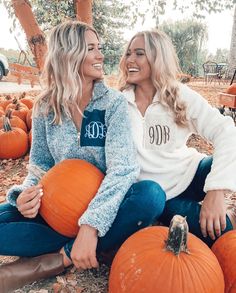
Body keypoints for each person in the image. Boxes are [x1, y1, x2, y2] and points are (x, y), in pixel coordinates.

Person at [0, 22, 166, 292]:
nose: (101, 55)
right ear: (69, 55)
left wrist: (91, 225)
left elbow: (123, 169)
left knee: (151, 196)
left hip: (105, 209)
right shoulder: (44, 106)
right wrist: (24, 195)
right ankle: (98, 243)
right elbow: (40, 164)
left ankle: (63, 256)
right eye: (91, 49)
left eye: (99, 48)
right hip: (56, 211)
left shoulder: (111, 104)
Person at [119, 29, 236, 248]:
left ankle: (223, 205)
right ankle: (226, 217)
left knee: (227, 157)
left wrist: (216, 190)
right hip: (161, 195)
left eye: (139, 53)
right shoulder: (118, 103)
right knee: (222, 234)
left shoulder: (178, 95)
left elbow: (226, 130)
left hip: (191, 173)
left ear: (157, 58)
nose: (130, 60)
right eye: (128, 53)